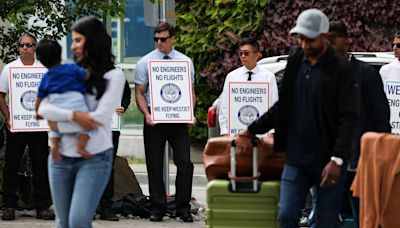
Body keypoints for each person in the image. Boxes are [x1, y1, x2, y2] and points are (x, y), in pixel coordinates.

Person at [235, 9, 358, 228]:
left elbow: (348, 118)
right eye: (300, 38)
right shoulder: (296, 60)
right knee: (287, 214)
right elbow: (283, 107)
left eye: (309, 39)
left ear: (324, 37)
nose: (304, 44)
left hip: (328, 160)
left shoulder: (341, 68)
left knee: (326, 221)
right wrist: (250, 130)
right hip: (296, 158)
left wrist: (338, 160)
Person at [37, 16, 125, 227]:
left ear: (92, 41)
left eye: (78, 40)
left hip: (94, 158)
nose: (73, 46)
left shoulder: (114, 76)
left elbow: (98, 119)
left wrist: (58, 120)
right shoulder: (68, 72)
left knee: (77, 222)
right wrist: (74, 116)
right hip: (60, 158)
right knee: (63, 222)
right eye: (73, 40)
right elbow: (43, 108)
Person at [327, 21, 391, 227]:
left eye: (333, 38)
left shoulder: (366, 74)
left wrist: (377, 160)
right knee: (324, 219)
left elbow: (382, 120)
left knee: (366, 219)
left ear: (347, 40)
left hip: (360, 164)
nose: (329, 44)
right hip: (327, 164)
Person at [134, 21, 195, 223]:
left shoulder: (185, 62)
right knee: (154, 163)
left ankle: (183, 207)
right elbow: (140, 93)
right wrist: (146, 114)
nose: (159, 43)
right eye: (156, 39)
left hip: (178, 118)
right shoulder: (145, 62)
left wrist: (190, 113)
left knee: (185, 163)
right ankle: (157, 208)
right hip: (155, 118)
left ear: (172, 39)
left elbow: (190, 92)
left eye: (163, 39)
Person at [0, 34, 54, 221]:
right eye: (22, 45)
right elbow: (1, 96)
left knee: (41, 165)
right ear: (18, 48)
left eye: (29, 45)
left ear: (35, 47)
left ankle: (42, 207)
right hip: (16, 125)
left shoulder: (44, 70)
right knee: (12, 165)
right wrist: (8, 117)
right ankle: (9, 205)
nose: (25, 48)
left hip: (38, 126)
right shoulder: (9, 69)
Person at [34, 39, 92, 161]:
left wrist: (37, 113)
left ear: (42, 62)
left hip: (56, 105)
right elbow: (86, 75)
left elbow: (39, 98)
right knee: (85, 127)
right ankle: (81, 147)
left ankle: (55, 146)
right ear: (60, 55)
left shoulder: (46, 77)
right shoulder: (71, 67)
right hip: (76, 101)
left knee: (54, 129)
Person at [218, 37, 279, 136]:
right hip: (235, 134)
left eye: (246, 53)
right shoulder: (232, 77)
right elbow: (225, 107)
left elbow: (273, 104)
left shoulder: (268, 77)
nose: (242, 56)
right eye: (240, 53)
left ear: (257, 55)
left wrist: (272, 132)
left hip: (262, 135)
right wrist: (225, 132)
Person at [97, 80, 131, 221]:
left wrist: (123, 106)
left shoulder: (116, 73)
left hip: (110, 127)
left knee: (107, 167)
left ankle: (106, 206)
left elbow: (126, 94)